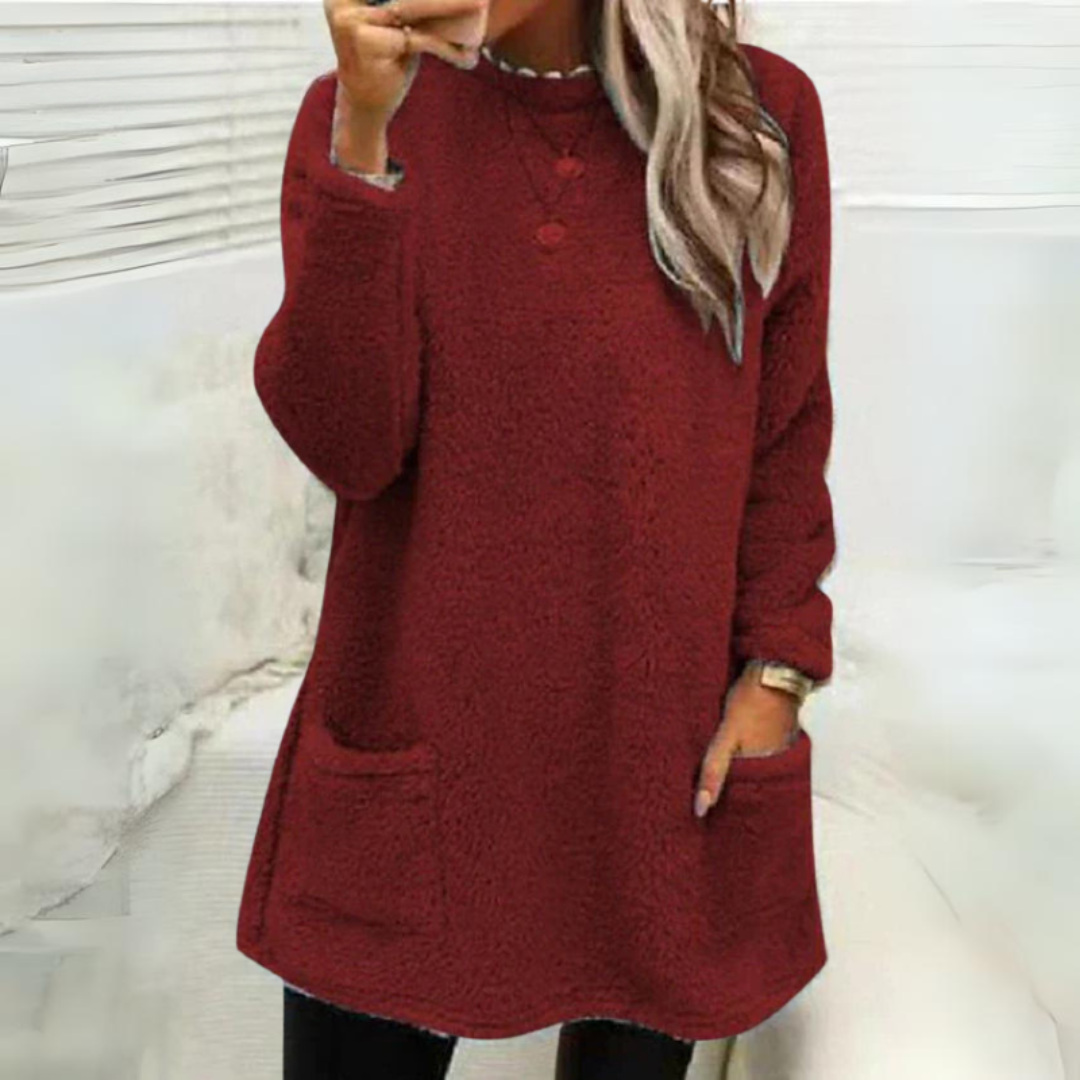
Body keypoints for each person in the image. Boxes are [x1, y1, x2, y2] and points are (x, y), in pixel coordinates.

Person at [237, 0, 838, 1076]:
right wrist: (364, 141)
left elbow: (784, 433)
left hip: (658, 774)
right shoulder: (359, 116)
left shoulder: (753, 117)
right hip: (415, 754)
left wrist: (779, 672)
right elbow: (350, 444)